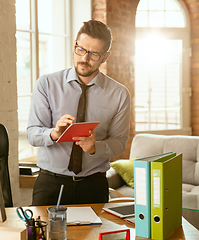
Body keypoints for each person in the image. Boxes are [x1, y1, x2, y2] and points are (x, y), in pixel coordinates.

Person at [27, 20, 131, 206]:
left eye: (94, 54)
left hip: (94, 186)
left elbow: (119, 143)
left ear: (105, 57)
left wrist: (94, 147)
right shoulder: (46, 84)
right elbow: (33, 134)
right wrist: (54, 133)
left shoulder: (119, 94)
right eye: (81, 50)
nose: (84, 58)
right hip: (50, 184)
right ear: (75, 44)